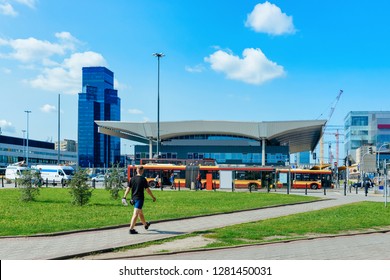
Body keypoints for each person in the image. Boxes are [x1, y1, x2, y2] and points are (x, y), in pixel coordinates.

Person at [122, 165, 156, 234]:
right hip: (139, 199)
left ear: (136, 170)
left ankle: (146, 225)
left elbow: (128, 188)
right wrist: (153, 197)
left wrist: (124, 196)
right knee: (135, 214)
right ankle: (131, 229)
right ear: (142, 171)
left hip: (133, 199)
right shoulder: (143, 179)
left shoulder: (132, 179)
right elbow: (147, 190)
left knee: (140, 213)